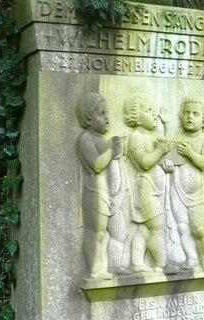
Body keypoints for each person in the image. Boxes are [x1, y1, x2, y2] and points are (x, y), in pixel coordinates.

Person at [76, 92, 128, 279]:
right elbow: (96, 164)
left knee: (119, 232)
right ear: (89, 118)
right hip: (95, 193)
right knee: (96, 233)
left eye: (107, 113)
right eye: (101, 113)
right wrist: (111, 152)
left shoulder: (103, 139)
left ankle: (115, 265)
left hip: (112, 195)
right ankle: (96, 270)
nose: (107, 118)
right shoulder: (86, 139)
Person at [123, 94, 174, 273]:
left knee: (145, 229)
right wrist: (159, 151)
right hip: (146, 189)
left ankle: (137, 263)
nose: (153, 114)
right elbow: (145, 162)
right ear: (137, 118)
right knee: (157, 226)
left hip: (156, 188)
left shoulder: (152, 136)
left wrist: (167, 126)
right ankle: (161, 264)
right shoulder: (136, 138)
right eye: (148, 110)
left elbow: (166, 150)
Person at [170, 98, 204, 271]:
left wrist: (189, 152)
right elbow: (172, 161)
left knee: (198, 229)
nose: (190, 117)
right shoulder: (178, 138)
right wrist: (168, 166)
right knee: (182, 227)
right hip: (178, 190)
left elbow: (203, 163)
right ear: (181, 116)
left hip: (197, 194)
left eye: (195, 114)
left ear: (203, 119)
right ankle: (191, 258)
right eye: (187, 113)